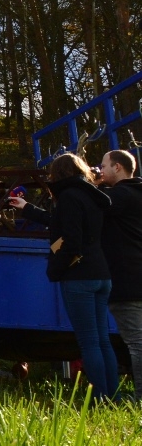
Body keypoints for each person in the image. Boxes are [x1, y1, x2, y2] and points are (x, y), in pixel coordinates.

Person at [9, 153, 118, 400]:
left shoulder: (68, 197)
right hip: (101, 273)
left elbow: (70, 240)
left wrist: (56, 269)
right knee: (102, 340)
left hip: (79, 275)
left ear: (57, 174)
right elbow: (59, 223)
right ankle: (114, 396)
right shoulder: (91, 195)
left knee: (89, 342)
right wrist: (27, 208)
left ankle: (101, 398)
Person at [97, 149, 142, 400]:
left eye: (103, 166)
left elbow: (92, 204)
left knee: (137, 343)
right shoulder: (136, 193)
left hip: (127, 279)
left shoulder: (120, 196)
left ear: (117, 167)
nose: (100, 171)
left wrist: (86, 183)